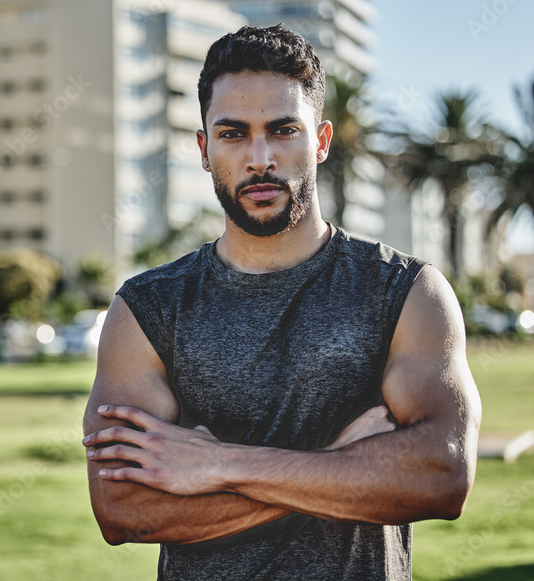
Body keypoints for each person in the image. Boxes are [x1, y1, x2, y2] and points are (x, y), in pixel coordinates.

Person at [81, 24, 482, 580]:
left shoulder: (405, 291)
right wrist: (343, 465)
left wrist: (217, 465)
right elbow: (123, 510)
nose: (260, 157)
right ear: (204, 149)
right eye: (233, 134)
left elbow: (442, 476)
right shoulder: (149, 310)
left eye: (283, 130)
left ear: (319, 140)